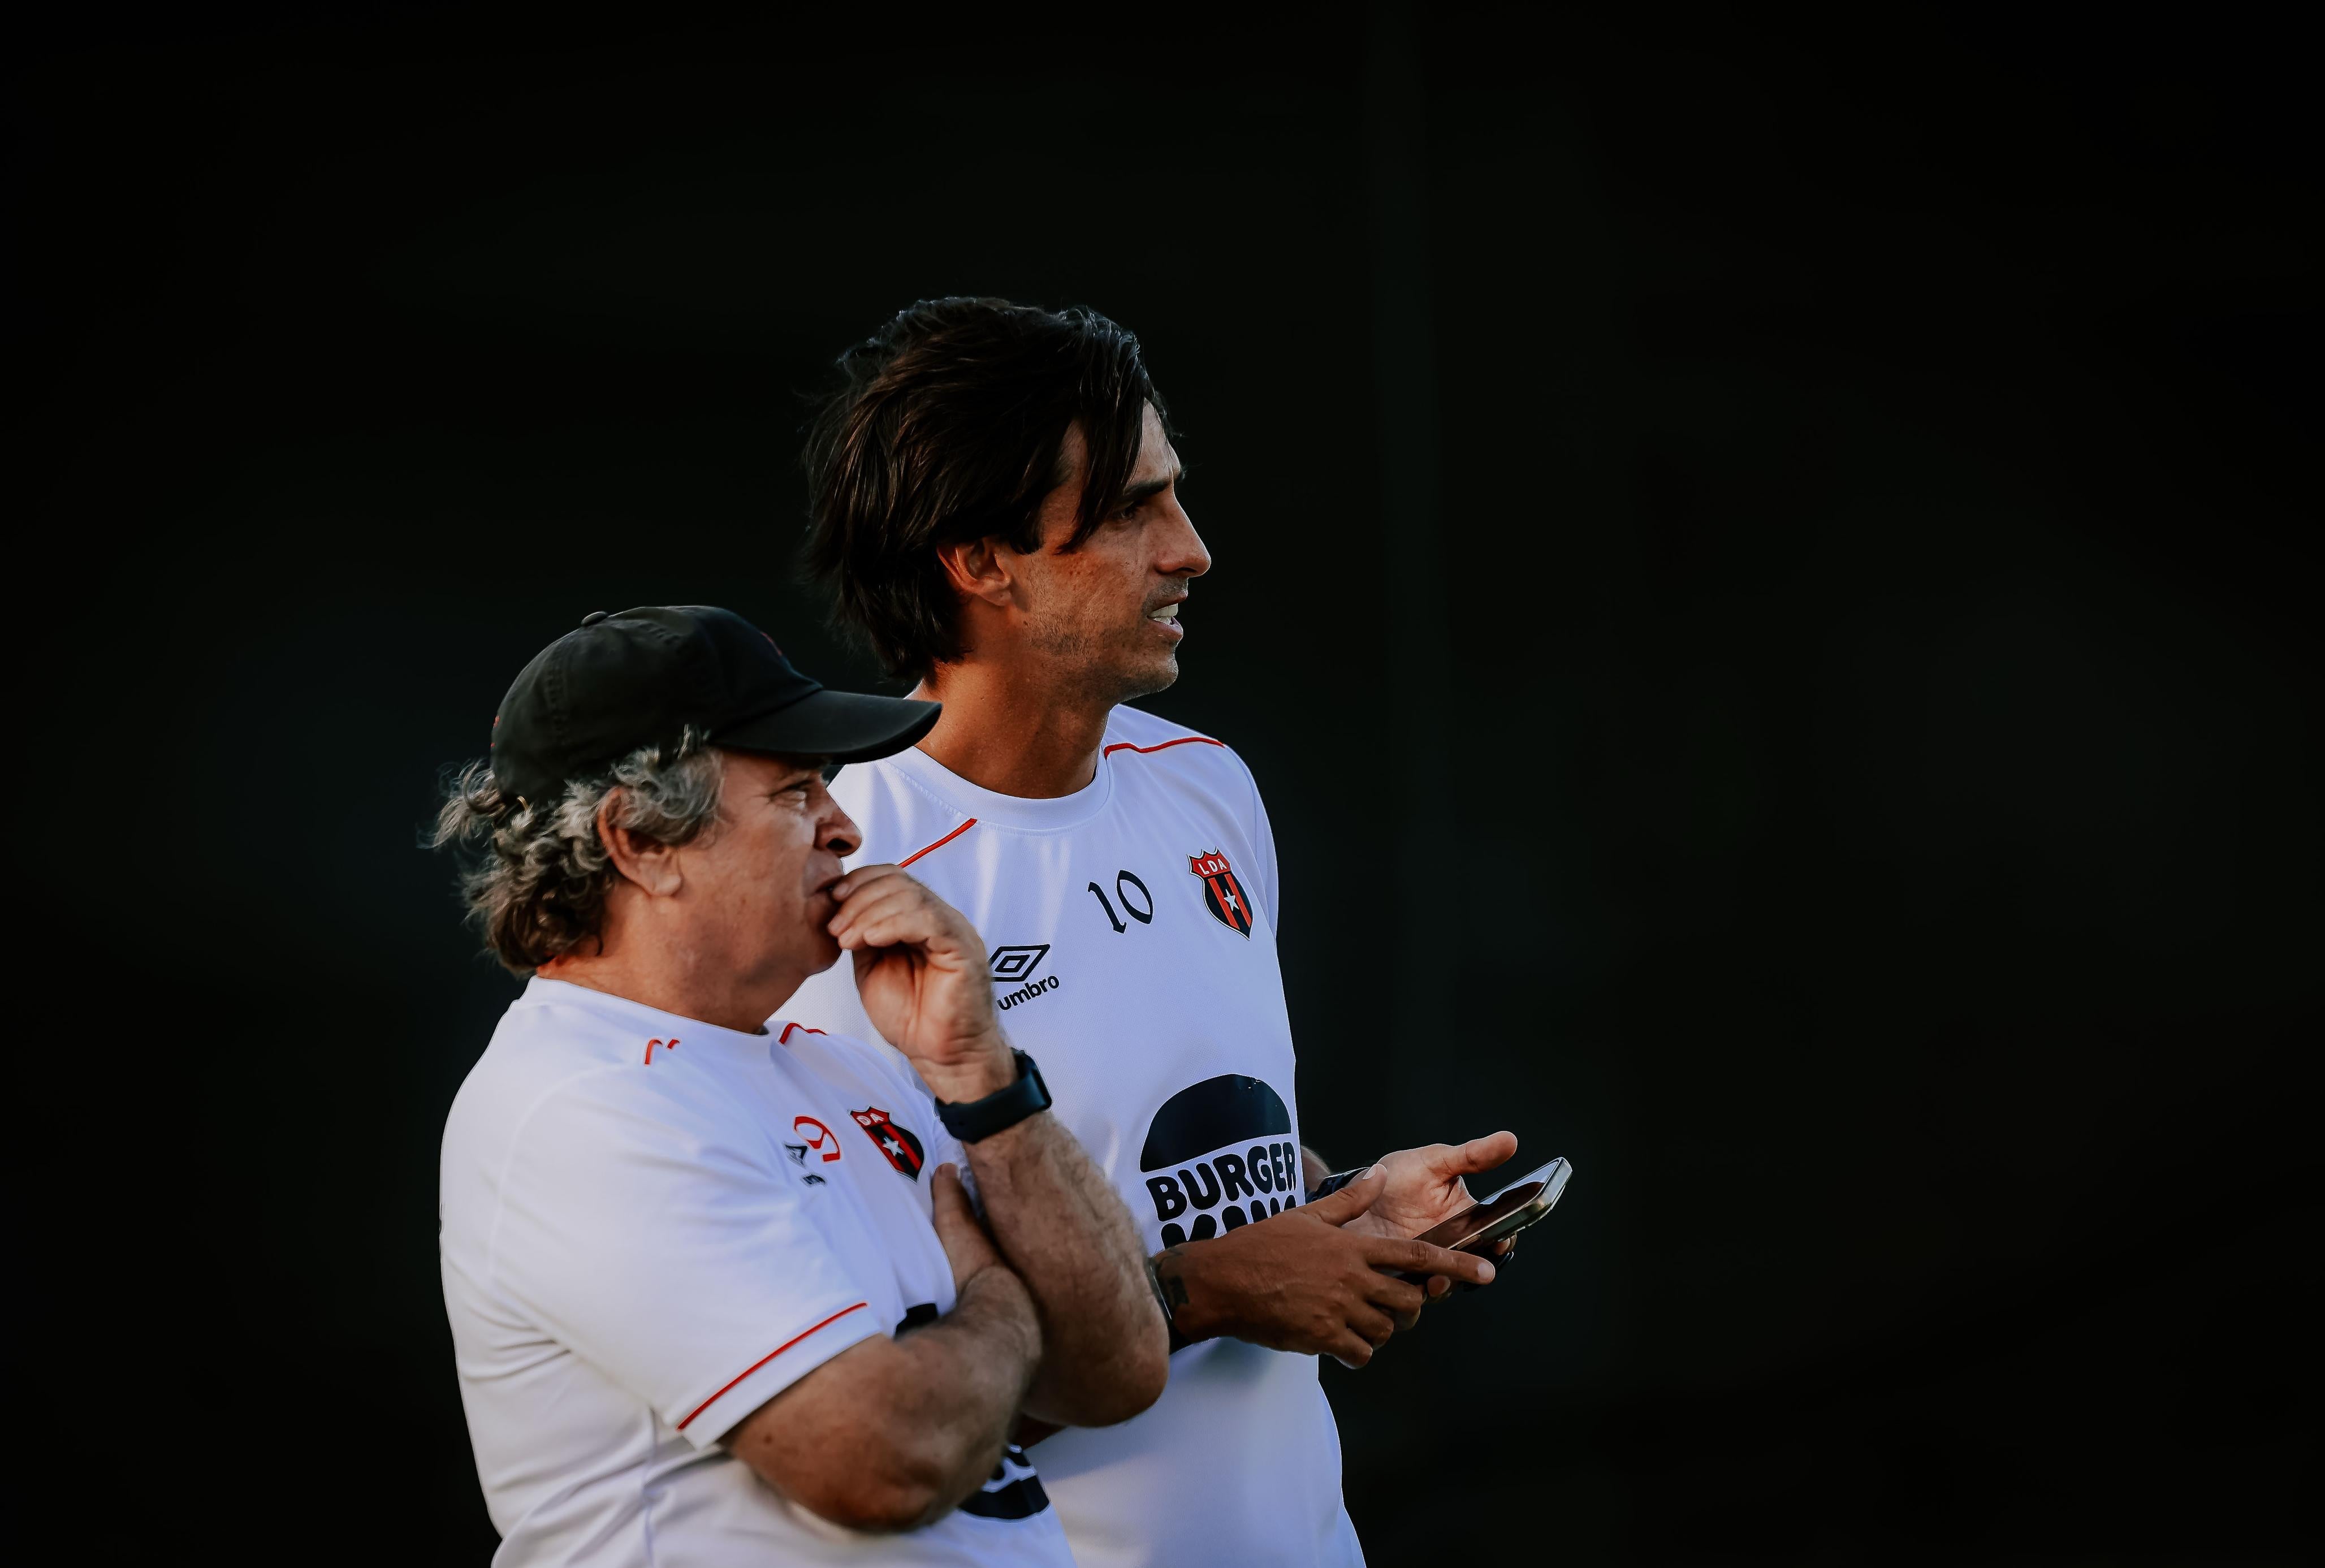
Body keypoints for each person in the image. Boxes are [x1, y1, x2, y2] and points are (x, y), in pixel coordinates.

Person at [787, 299, 1516, 1567]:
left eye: (1172, 497)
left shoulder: (1206, 786)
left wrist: (1345, 1207)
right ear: (979, 559)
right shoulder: (842, 859)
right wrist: (1217, 1290)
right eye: (1130, 510)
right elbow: (866, 1371)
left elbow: (1175, 1165)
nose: (1191, 550)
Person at [433, 604, 1167, 1567]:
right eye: (795, 792)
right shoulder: (579, 1103)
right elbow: (886, 1457)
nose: (846, 825)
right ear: (639, 841)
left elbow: (1119, 1366)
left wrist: (980, 1074)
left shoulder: (843, 1062)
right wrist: (997, 1299)